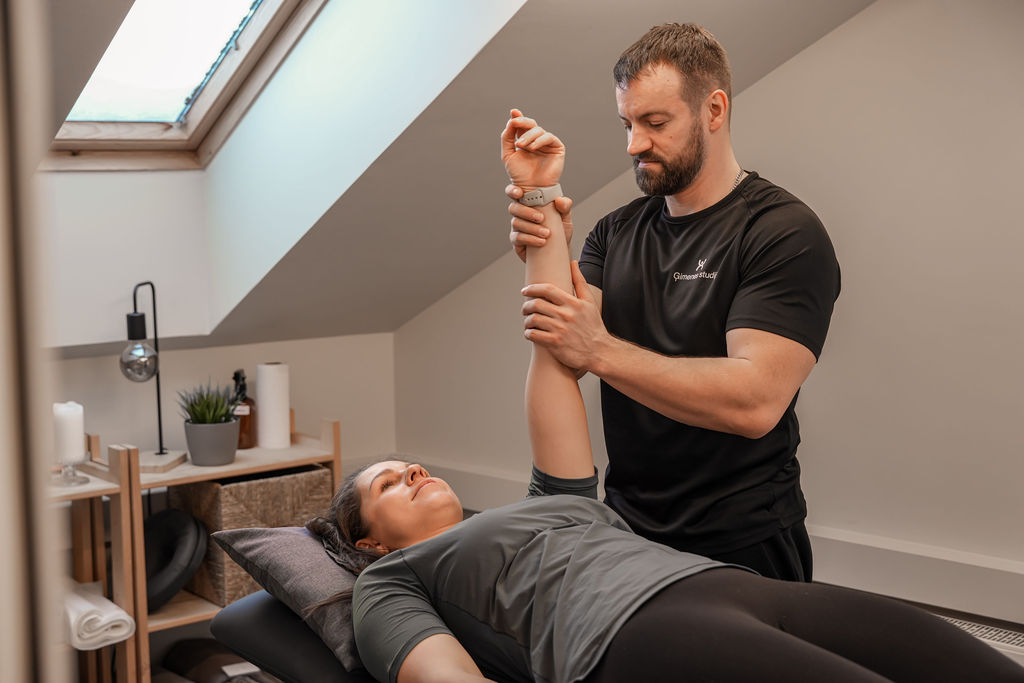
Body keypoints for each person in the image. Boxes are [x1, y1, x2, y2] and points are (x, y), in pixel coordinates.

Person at [301, 113, 1024, 683]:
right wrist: (543, 214)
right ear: (369, 543)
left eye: (410, 465)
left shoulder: (550, 500)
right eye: (389, 483)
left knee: (968, 662)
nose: (414, 471)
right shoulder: (390, 583)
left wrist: (540, 193)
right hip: (632, 632)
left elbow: (557, 347)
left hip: (726, 581)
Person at [506, 22, 841, 581]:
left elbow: (755, 402)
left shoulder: (781, 231)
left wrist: (601, 350)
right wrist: (540, 203)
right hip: (628, 531)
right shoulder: (615, 231)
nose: (634, 144)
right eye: (628, 123)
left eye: (655, 123)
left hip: (743, 541)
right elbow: (562, 342)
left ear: (714, 110)